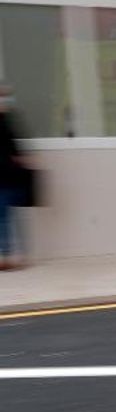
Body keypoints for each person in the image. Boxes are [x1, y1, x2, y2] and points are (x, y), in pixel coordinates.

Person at [0, 82, 31, 271]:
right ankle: (13, 255)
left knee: (6, 216)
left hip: (9, 175)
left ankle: (12, 255)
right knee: (7, 216)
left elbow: (14, 147)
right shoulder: (7, 119)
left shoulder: (8, 119)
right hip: (6, 174)